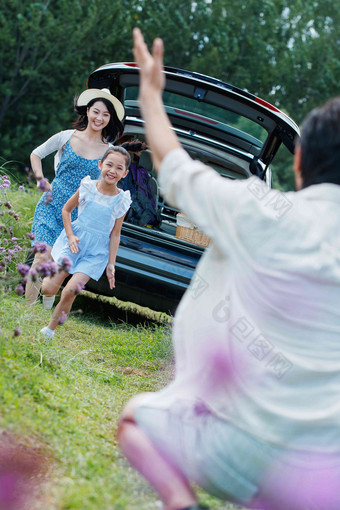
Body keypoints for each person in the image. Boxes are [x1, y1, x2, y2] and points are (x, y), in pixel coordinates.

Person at [117, 28, 340, 510]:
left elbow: (173, 168)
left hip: (238, 448)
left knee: (136, 419)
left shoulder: (256, 208)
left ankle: (182, 504)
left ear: (300, 161)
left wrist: (151, 98)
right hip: (327, 473)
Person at [26, 88, 125, 307]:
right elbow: (36, 154)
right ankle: (28, 314)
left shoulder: (109, 152)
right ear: (88, 111)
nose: (99, 118)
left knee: (57, 266)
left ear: (110, 119)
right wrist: (41, 181)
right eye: (96, 112)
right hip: (51, 206)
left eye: (105, 115)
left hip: (76, 217)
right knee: (42, 258)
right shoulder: (66, 137)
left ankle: (46, 305)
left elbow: (107, 185)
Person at [39, 146, 131, 339]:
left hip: (96, 253)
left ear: (125, 173)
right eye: (109, 165)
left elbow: (115, 234)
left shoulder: (122, 200)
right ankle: (48, 288)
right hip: (75, 242)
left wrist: (111, 264)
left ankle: (49, 331)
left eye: (119, 168)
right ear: (100, 165)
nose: (112, 171)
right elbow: (66, 210)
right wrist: (71, 236)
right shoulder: (87, 187)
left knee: (70, 291)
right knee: (48, 288)